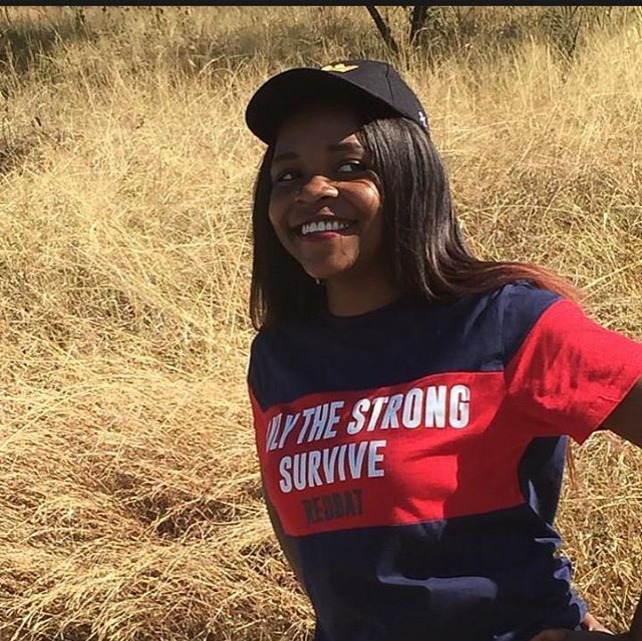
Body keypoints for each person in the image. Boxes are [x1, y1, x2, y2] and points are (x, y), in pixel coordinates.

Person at [243, 58, 642, 641]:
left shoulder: (505, 322)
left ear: (412, 177)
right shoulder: (278, 357)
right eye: (288, 174)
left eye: (350, 166)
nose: (313, 191)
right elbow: (298, 523)